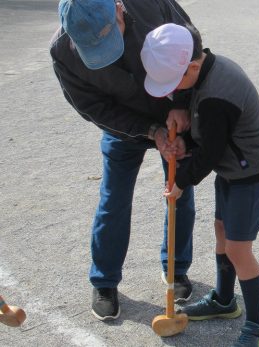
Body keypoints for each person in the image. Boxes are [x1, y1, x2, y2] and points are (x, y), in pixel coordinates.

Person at [50, 0, 198, 321]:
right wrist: (149, 130)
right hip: (125, 126)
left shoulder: (147, 5)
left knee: (179, 191)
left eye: (110, 38)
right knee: (113, 200)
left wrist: (182, 105)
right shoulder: (63, 51)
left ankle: (176, 269)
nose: (107, 53)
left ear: (118, 9)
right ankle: (104, 281)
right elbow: (94, 108)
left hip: (172, 110)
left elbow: (190, 41)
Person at [141, 23, 259, 347]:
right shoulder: (204, 72)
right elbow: (207, 138)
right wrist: (185, 142)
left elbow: (211, 152)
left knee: (237, 248)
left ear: (191, 66)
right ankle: (224, 300)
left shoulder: (217, 95)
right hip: (232, 171)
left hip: (251, 175)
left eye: (175, 83)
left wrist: (180, 182)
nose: (175, 92)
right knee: (221, 229)